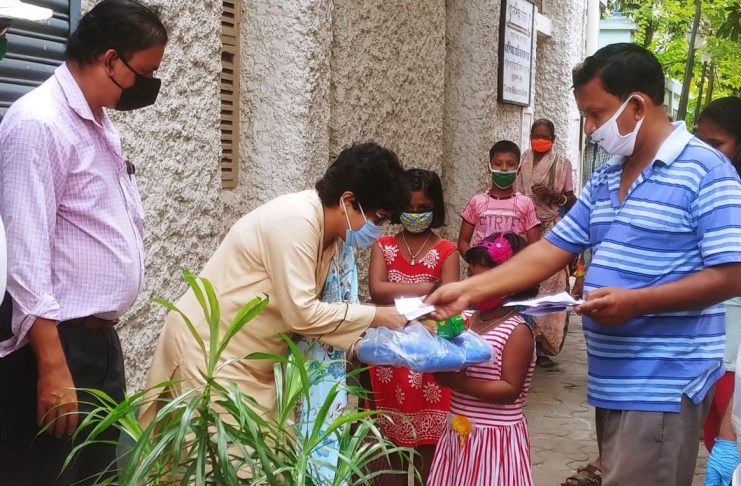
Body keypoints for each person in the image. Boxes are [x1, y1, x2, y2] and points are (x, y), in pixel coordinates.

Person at [425, 43, 741, 486]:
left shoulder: (706, 170)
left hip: (662, 380)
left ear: (636, 105)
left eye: (596, 114)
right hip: (612, 378)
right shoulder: (609, 176)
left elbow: (732, 273)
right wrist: (469, 290)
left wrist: (637, 302)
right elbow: (551, 249)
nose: (591, 129)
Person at [0, 1, 168, 484]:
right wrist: (52, 366)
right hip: (57, 347)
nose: (147, 85)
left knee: (95, 475)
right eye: (144, 72)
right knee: (47, 474)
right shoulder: (39, 123)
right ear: (110, 60)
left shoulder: (97, 122)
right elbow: (25, 257)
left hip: (96, 345)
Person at [142, 142, 410, 425]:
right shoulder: (297, 220)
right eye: (378, 218)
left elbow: (324, 312)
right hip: (210, 352)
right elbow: (302, 314)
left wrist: (376, 339)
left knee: (268, 450)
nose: (377, 231)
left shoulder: (332, 238)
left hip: (253, 363)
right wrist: (378, 316)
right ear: (347, 200)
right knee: (224, 451)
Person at [367, 168, 460, 484]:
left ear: (436, 208)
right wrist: (429, 288)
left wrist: (405, 293)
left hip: (429, 361)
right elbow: (377, 290)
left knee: (429, 448)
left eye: (424, 208)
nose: (415, 214)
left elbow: (449, 301)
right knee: (388, 446)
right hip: (389, 359)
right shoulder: (383, 245)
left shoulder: (447, 251)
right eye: (408, 207)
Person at [428, 232, 537, 486]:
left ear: (512, 284)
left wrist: (459, 383)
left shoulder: (517, 330)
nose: (472, 285)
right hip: (459, 430)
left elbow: (509, 389)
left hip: (494, 440)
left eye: (481, 280)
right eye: (470, 276)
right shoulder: (467, 320)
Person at [695, 96, 741, 486]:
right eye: (701, 142)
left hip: (734, 346)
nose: (707, 153)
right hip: (704, 337)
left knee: (729, 432)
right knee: (715, 437)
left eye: (717, 144)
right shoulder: (701, 189)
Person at [516, 119, 576, 367]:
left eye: (545, 137)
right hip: (523, 230)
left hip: (550, 229)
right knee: (524, 284)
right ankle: (522, 342)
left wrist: (554, 196)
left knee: (552, 286)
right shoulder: (521, 161)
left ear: (553, 139)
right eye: (536, 136)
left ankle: (543, 347)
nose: (540, 140)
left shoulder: (562, 164)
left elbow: (571, 201)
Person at [458, 140, 541, 256]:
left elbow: (535, 246)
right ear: (489, 167)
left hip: (514, 266)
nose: (504, 168)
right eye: (498, 163)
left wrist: (521, 265)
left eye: (510, 164)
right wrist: (475, 262)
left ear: (518, 169)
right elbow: (463, 241)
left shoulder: (526, 203)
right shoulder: (476, 201)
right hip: (482, 265)